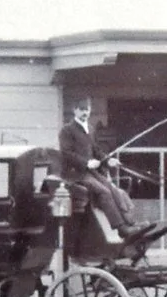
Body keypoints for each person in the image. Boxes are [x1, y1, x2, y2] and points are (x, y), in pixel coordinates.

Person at [57, 100, 134, 236]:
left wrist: (108, 160)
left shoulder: (90, 129)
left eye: (87, 110)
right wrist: (86, 163)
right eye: (81, 109)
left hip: (90, 173)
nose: (85, 113)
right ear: (75, 110)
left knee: (112, 189)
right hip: (75, 175)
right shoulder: (67, 130)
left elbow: (97, 150)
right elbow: (67, 153)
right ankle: (121, 229)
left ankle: (130, 223)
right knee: (103, 191)